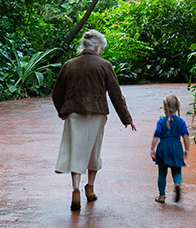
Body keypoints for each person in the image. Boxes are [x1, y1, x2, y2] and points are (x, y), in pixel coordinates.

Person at [50, 30, 137, 212]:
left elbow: (57, 92)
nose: (102, 51)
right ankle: (90, 188)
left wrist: (62, 111)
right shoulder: (105, 65)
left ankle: (75, 190)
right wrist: (126, 118)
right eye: (102, 48)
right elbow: (116, 94)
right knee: (93, 151)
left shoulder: (69, 65)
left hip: (74, 113)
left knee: (76, 151)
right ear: (97, 47)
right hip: (97, 113)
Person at [150, 93, 189, 204]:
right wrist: (187, 149)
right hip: (176, 147)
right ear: (177, 107)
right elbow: (185, 136)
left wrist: (152, 149)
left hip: (163, 147)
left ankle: (162, 196)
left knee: (162, 173)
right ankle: (177, 184)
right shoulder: (181, 122)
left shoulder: (161, 121)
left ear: (164, 108)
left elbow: (156, 135)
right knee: (176, 170)